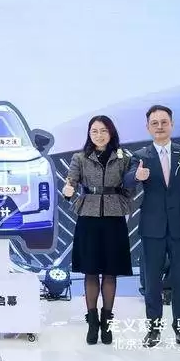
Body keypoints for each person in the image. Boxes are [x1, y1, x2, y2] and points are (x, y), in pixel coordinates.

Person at [124, 105, 180, 350]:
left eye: (164, 122)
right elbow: (127, 181)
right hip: (152, 228)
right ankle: (153, 329)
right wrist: (137, 177)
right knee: (152, 283)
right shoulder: (140, 156)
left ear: (172, 125)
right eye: (154, 123)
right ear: (148, 127)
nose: (159, 126)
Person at [63, 115, 134, 345]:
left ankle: (107, 322)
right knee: (91, 271)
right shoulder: (80, 157)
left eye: (103, 130)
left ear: (111, 132)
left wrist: (125, 201)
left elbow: (130, 185)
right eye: (94, 131)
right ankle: (92, 323)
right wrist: (71, 194)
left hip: (114, 217)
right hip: (89, 218)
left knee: (110, 272)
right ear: (89, 134)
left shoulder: (123, 157)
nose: (99, 135)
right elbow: (71, 182)